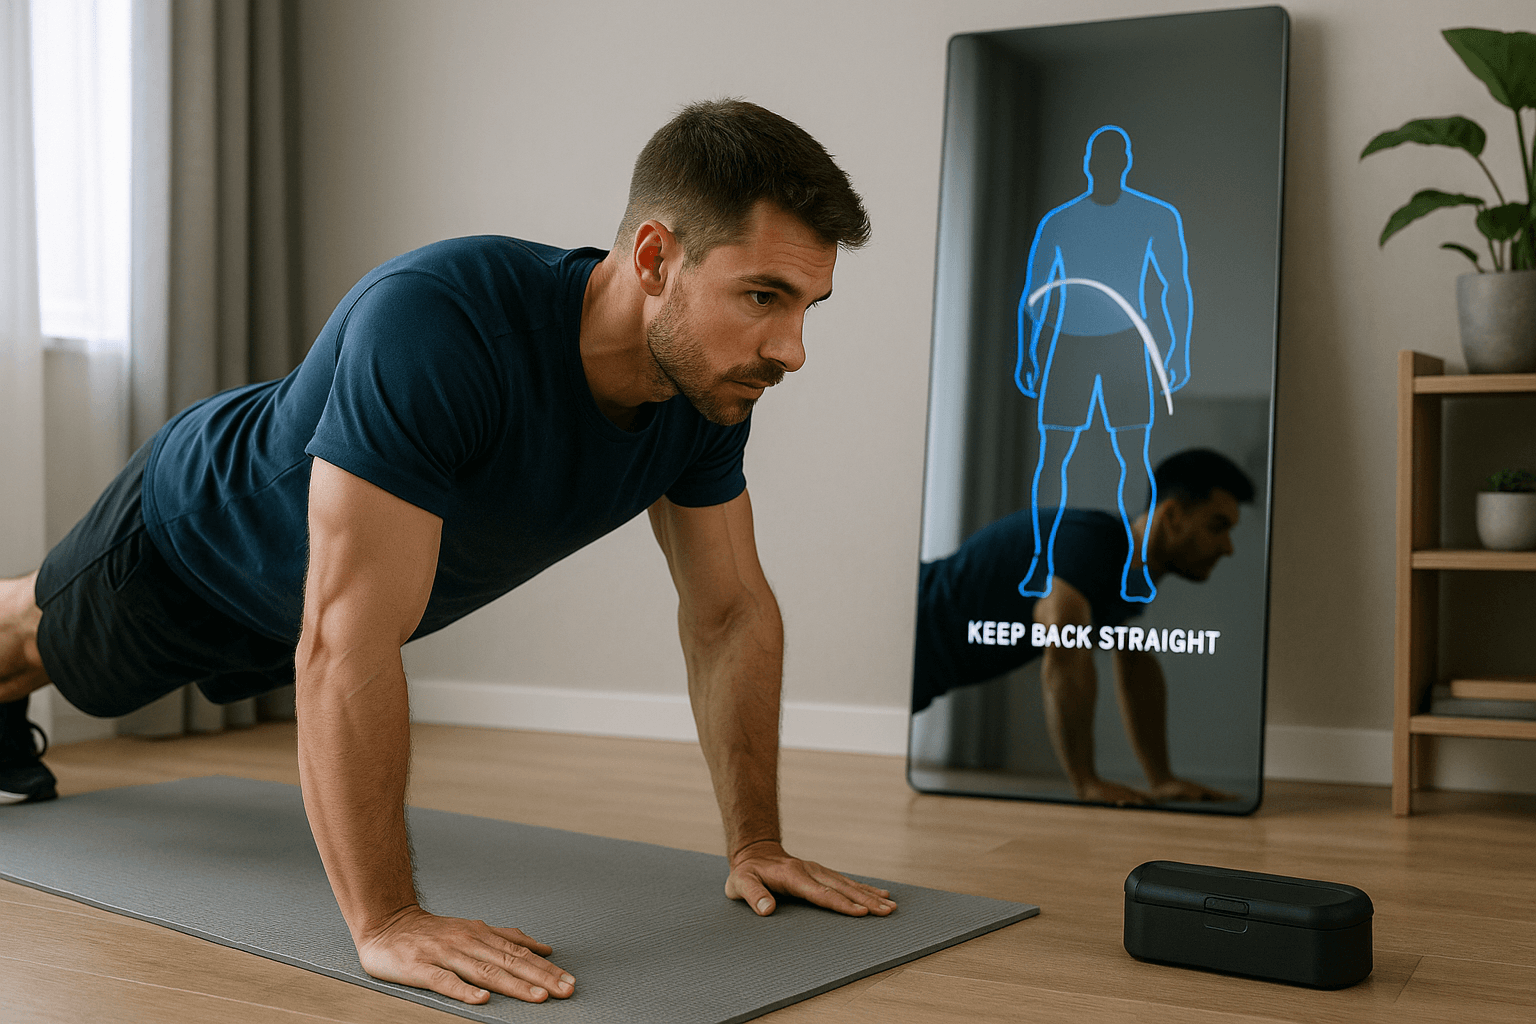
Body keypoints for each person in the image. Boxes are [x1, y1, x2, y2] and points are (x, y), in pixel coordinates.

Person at [0, 99, 896, 1007]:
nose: (791, 350)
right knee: (33, 646)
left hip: (302, 610)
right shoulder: (442, 323)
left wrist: (758, 843)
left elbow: (729, 611)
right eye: (761, 297)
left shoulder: (702, 393)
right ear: (657, 257)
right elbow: (347, 637)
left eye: (806, 307)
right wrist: (387, 922)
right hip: (197, 538)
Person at [911, 448, 1253, 806]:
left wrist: (1162, 779)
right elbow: (1063, 638)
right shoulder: (1097, 541)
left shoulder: (1128, 579)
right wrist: (1086, 782)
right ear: (1171, 516)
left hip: (923, 669)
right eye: (1218, 526)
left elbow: (1136, 665)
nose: (1228, 547)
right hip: (904, 621)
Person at [1014, 125, 1194, 603]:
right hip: (1069, 346)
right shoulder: (1061, 221)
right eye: (1098, 158)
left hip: (1125, 346)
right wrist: (1028, 353)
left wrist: (1177, 349)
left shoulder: (1154, 216)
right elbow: (1035, 295)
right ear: (1089, 164)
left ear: (1124, 163)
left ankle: (1137, 565)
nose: (1104, 167)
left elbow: (1174, 286)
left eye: (1113, 159)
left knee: (1132, 458)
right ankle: (1040, 559)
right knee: (1055, 459)